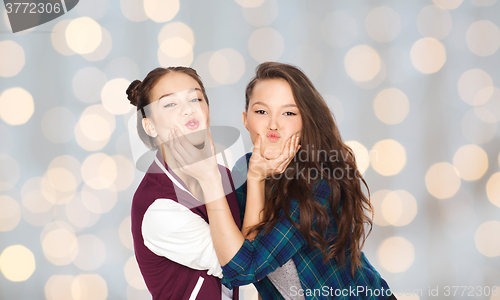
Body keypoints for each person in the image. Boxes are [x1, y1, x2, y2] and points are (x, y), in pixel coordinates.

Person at [168, 62, 395, 300]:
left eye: (288, 113)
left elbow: (244, 269)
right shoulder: (244, 170)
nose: (273, 125)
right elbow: (252, 260)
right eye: (261, 112)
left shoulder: (320, 181)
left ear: (305, 120)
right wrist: (255, 179)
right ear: (245, 119)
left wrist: (211, 180)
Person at [126, 66, 242, 300]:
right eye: (170, 104)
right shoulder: (158, 207)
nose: (189, 109)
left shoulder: (221, 174)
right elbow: (240, 266)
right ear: (150, 126)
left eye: (195, 98)